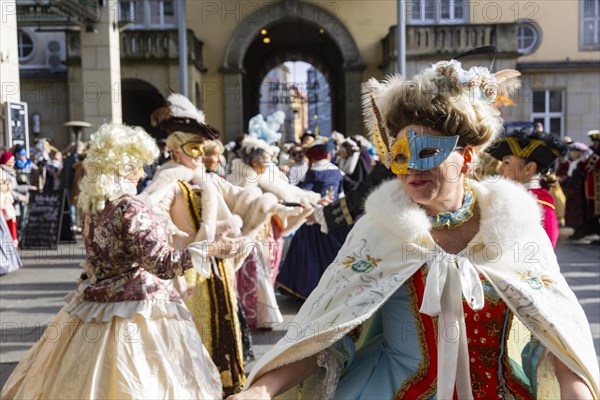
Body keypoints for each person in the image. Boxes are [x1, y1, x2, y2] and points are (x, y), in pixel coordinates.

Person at [231, 60, 599, 399]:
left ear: (467, 158)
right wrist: (261, 391)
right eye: (400, 156)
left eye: (426, 154)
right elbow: (325, 334)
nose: (410, 171)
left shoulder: (515, 230)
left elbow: (555, 333)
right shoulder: (377, 233)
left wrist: (578, 391)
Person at [1, 123, 228, 399]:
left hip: (93, 305)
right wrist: (210, 248)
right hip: (138, 309)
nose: (143, 173)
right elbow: (162, 264)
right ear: (122, 167)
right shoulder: (130, 207)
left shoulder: (93, 206)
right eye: (137, 166)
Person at [142, 93, 300, 394]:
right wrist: (181, 238)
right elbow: (151, 214)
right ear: (175, 150)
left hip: (217, 270)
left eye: (202, 149)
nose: (200, 155)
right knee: (192, 340)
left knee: (224, 333)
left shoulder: (208, 180)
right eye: (193, 148)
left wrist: (280, 202)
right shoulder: (169, 181)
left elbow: (241, 197)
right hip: (187, 271)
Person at [277, 139, 346, 299]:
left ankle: (309, 290)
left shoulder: (314, 171)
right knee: (333, 252)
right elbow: (341, 194)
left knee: (308, 253)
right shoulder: (337, 171)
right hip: (333, 214)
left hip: (314, 215)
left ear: (313, 157)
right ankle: (334, 288)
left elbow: (305, 192)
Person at [487, 127, 567, 247]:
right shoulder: (513, 196)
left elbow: (543, 253)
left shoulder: (540, 203)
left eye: (507, 163)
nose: (500, 169)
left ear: (529, 168)